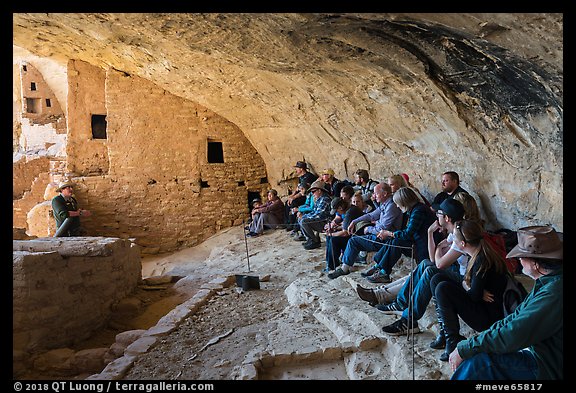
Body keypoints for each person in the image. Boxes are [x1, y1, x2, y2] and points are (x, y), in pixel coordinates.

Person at [449, 225, 563, 380]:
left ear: (536, 263)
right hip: (543, 353)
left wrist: (465, 348)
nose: (519, 260)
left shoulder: (554, 293)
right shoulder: (549, 282)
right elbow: (515, 317)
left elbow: (515, 331)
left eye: (522, 256)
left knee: (481, 365)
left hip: (549, 366)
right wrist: (472, 345)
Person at [378, 199, 466, 340]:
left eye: (439, 214)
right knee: (425, 263)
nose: (437, 216)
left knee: (430, 270)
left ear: (447, 218)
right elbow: (431, 260)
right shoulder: (454, 231)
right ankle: (401, 303)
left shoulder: (458, 235)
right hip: (457, 274)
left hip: (464, 280)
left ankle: (409, 320)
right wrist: (430, 233)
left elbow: (439, 264)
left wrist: (439, 248)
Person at [432, 219, 509, 361]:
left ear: (462, 244)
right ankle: (446, 333)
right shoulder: (480, 251)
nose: (452, 240)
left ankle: (453, 340)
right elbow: (474, 289)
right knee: (437, 279)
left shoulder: (481, 260)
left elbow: (474, 296)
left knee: (443, 288)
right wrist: (470, 286)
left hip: (488, 317)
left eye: (454, 238)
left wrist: (469, 286)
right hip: (483, 304)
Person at [362, 187, 437, 284]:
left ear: (404, 201)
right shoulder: (414, 209)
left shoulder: (418, 211)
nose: (397, 206)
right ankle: (379, 267)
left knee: (396, 240)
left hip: (423, 245)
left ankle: (383, 272)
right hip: (418, 240)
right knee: (393, 239)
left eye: (398, 203)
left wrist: (389, 233)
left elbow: (407, 234)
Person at [327, 183, 403, 279]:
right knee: (354, 239)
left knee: (353, 241)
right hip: (379, 234)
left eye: (376, 193)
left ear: (385, 194)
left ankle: (344, 269)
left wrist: (369, 229)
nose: (374, 196)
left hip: (384, 238)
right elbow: (371, 215)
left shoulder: (391, 206)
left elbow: (383, 228)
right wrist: (354, 222)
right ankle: (347, 265)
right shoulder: (385, 204)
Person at [324, 198, 363, 271]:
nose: (337, 212)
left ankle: (332, 265)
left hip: (358, 236)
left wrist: (331, 234)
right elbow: (345, 226)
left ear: (340, 208)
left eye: (337, 210)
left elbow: (345, 233)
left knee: (334, 240)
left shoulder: (350, 212)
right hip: (353, 233)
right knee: (330, 238)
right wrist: (334, 230)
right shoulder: (349, 209)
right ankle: (329, 263)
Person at [298, 180, 332, 250]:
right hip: (320, 221)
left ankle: (314, 241)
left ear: (319, 191)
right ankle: (310, 239)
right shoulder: (319, 199)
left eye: (313, 191)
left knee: (304, 221)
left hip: (325, 223)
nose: (312, 194)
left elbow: (319, 215)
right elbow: (314, 211)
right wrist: (303, 216)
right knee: (301, 219)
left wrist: (304, 217)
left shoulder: (325, 199)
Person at [284, 161, 317, 225]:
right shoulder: (301, 177)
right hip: (302, 194)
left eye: (297, 168)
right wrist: (291, 196)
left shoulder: (308, 176)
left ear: (301, 169)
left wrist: (293, 198)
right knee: (287, 202)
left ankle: (293, 223)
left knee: (293, 202)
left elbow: (304, 190)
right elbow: (298, 188)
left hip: (306, 195)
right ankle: (287, 222)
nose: (296, 169)